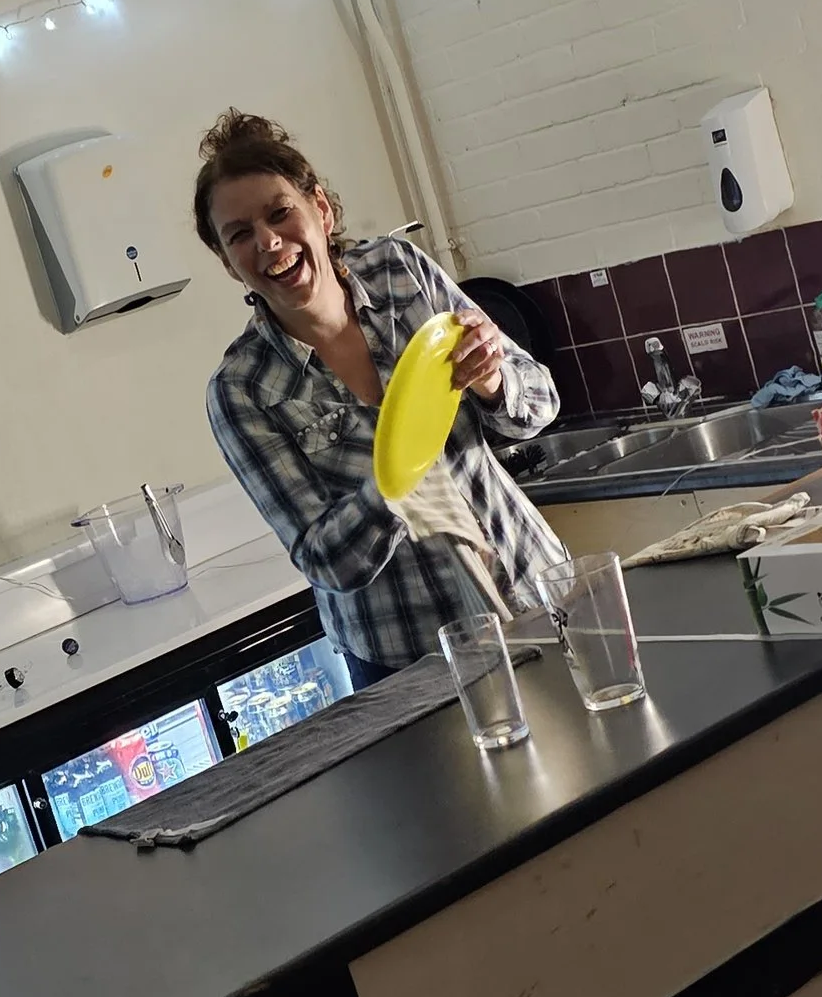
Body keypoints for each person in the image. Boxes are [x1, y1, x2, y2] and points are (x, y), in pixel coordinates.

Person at [194, 106, 569, 684]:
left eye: (280, 213)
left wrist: (494, 381)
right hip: (413, 658)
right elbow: (325, 558)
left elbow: (540, 405)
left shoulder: (399, 272)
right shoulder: (242, 390)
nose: (268, 242)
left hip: (534, 590)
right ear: (227, 262)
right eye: (240, 235)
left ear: (320, 209)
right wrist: (397, 475)